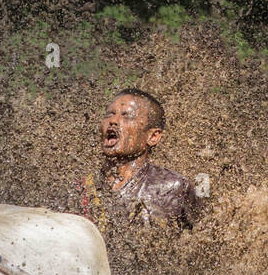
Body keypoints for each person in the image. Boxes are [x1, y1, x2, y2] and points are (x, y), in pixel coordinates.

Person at [70, 89, 202, 232]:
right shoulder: (80, 188)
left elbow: (197, 241)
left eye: (127, 116)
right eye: (110, 114)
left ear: (153, 137)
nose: (113, 121)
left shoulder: (172, 188)